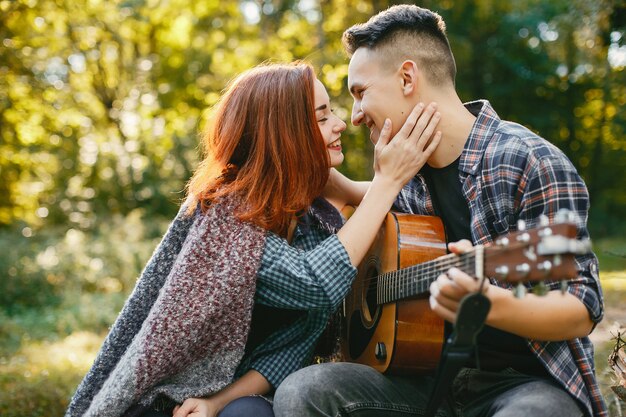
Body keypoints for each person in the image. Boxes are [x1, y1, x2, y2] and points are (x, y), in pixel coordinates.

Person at [273, 5, 607, 417]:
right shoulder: (404, 173)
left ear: (408, 78)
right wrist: (325, 177)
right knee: (304, 391)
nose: (355, 116)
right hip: (423, 379)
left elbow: (581, 309)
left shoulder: (528, 161)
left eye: (360, 93)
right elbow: (373, 200)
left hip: (523, 384)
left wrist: (489, 303)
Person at [64, 61, 441, 417]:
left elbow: (291, 346)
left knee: (248, 411)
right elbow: (314, 283)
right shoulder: (227, 214)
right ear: (285, 134)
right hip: (167, 400)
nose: (341, 123)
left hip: (227, 394)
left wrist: (411, 168)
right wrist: (387, 182)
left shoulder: (308, 206)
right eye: (323, 117)